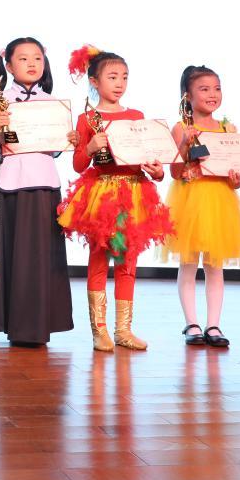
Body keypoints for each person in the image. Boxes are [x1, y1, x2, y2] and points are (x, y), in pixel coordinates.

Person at [58, 45, 172, 353]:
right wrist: (90, 147)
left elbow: (147, 161)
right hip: (102, 195)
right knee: (99, 261)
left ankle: (124, 329)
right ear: (94, 82)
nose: (119, 83)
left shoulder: (136, 117)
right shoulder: (87, 119)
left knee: (127, 262)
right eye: (112, 77)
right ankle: (100, 331)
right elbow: (78, 164)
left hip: (134, 193)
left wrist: (157, 172)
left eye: (124, 77)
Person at [162, 65, 240, 349]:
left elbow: (235, 177)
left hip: (220, 200)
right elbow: (175, 172)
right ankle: (192, 323)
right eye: (204, 89)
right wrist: (185, 143)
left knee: (215, 265)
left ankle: (214, 324)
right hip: (191, 200)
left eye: (217, 88)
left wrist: (236, 179)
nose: (212, 94)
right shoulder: (180, 128)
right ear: (187, 95)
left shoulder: (228, 129)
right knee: (188, 263)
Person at [0, 38, 77, 346]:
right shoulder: (1, 102)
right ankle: (17, 325)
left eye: (37, 58)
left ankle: (42, 325)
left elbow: (55, 149)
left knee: (44, 257)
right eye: (23, 59)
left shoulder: (53, 103)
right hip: (12, 183)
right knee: (16, 255)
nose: (31, 64)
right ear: (9, 66)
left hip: (45, 183)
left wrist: (67, 139)